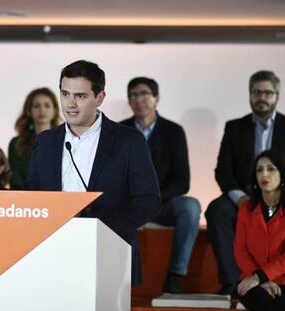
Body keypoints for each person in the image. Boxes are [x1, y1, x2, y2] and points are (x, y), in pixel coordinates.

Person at [26, 60, 161, 286]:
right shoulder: (46, 141)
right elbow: (33, 195)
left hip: (109, 255)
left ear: (99, 98)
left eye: (80, 96)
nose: (70, 104)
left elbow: (149, 200)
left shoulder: (128, 141)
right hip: (53, 256)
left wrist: (99, 232)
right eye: (65, 94)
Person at [205, 70, 285, 295]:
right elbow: (223, 171)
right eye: (256, 92)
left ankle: (274, 278)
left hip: (279, 198)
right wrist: (241, 198)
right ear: (250, 95)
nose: (262, 97)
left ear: (277, 96)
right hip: (244, 197)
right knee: (216, 211)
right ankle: (232, 282)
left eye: (267, 93)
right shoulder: (235, 127)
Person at [120, 77, 201, 293]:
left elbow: (183, 180)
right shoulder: (119, 131)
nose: (139, 99)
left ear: (156, 98)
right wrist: (136, 205)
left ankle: (175, 276)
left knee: (190, 206)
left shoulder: (174, 131)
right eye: (134, 95)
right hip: (130, 205)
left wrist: (152, 201)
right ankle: (119, 280)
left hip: (162, 203)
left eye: (145, 94)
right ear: (129, 101)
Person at [235, 150, 285, 311]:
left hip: (281, 280)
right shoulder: (246, 208)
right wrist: (258, 280)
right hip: (252, 281)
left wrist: (261, 277)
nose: (264, 173)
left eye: (271, 169)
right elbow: (240, 251)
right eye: (259, 169)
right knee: (255, 296)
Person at [8, 87, 60, 189]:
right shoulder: (16, 143)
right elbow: (15, 179)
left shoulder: (66, 141)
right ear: (29, 111)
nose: (42, 110)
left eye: (47, 105)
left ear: (55, 111)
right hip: (26, 201)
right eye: (36, 106)